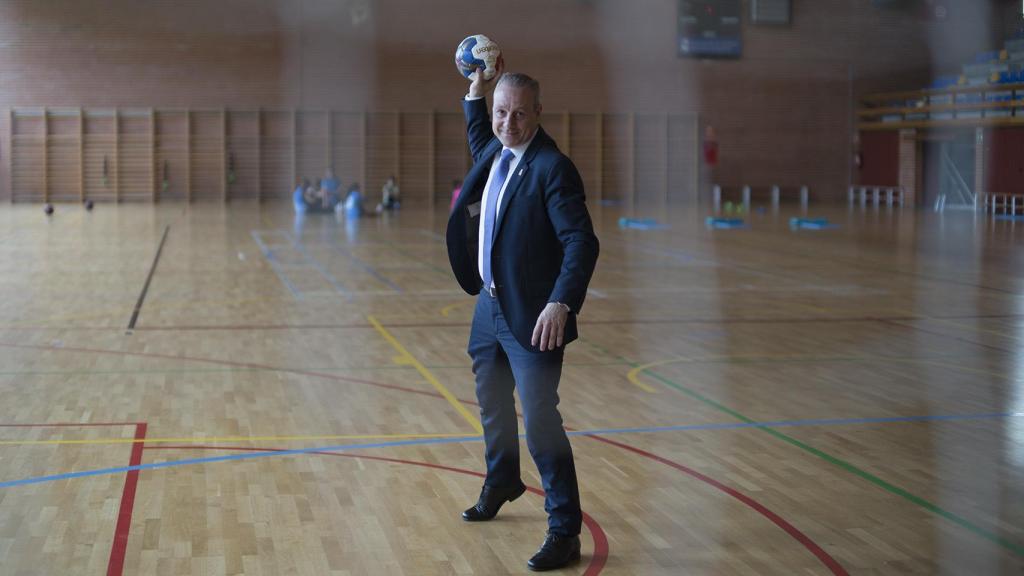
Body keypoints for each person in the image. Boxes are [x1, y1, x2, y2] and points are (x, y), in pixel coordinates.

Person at [446, 61, 599, 572]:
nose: (507, 122)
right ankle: (503, 480)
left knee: (540, 424)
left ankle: (564, 530)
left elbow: (581, 241)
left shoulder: (553, 168)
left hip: (536, 317)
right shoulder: (496, 151)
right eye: (500, 112)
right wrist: (476, 91)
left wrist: (561, 302)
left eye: (518, 114)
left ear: (538, 114)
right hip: (489, 307)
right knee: (491, 404)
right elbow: (477, 131)